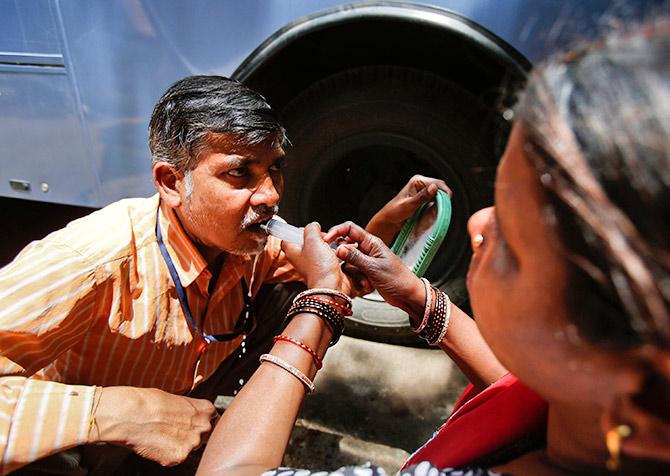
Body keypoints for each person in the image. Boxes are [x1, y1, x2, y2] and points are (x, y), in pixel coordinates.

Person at [196, 19, 670, 475]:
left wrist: (321, 300)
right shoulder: (587, 414)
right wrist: (415, 295)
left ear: (642, 402)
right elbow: (518, 387)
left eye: (514, 247)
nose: (478, 224)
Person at [0, 75, 448, 474]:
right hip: (80, 449)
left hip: (169, 428)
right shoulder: (92, 260)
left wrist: (386, 223)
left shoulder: (251, 245)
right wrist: (121, 412)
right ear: (171, 182)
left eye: (274, 169)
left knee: (286, 300)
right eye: (240, 173)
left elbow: (341, 274)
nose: (270, 195)